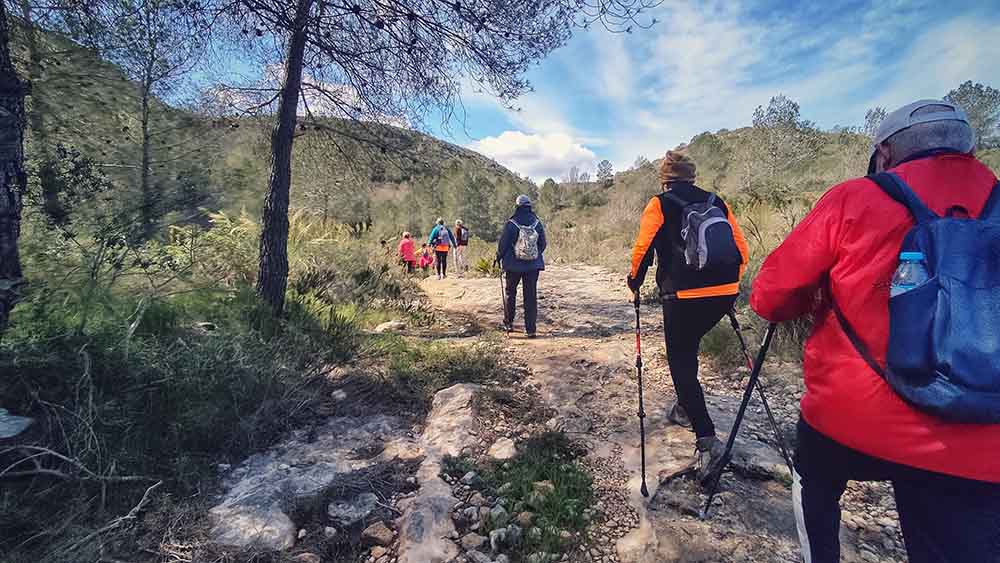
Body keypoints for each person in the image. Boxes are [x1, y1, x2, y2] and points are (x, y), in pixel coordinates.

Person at [750, 100, 1000, 562]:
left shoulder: (854, 199)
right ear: (970, 146)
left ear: (884, 153)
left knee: (813, 480)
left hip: (853, 419)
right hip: (983, 440)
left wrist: (815, 300)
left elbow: (769, 298)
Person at [626, 150, 749, 484]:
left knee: (680, 361)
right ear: (692, 177)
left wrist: (634, 282)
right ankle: (685, 406)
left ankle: (707, 439)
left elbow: (643, 248)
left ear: (665, 179)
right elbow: (742, 249)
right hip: (724, 293)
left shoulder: (659, 204)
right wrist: (727, 284)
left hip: (681, 296)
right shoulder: (716, 201)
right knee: (689, 346)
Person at [497, 195, 547, 338]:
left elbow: (503, 245)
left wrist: (499, 257)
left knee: (510, 294)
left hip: (513, 266)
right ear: (529, 206)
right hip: (533, 266)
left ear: (517, 206)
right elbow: (543, 244)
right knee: (530, 297)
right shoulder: (537, 223)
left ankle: (508, 323)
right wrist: (533, 255)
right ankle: (530, 330)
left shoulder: (511, 223)